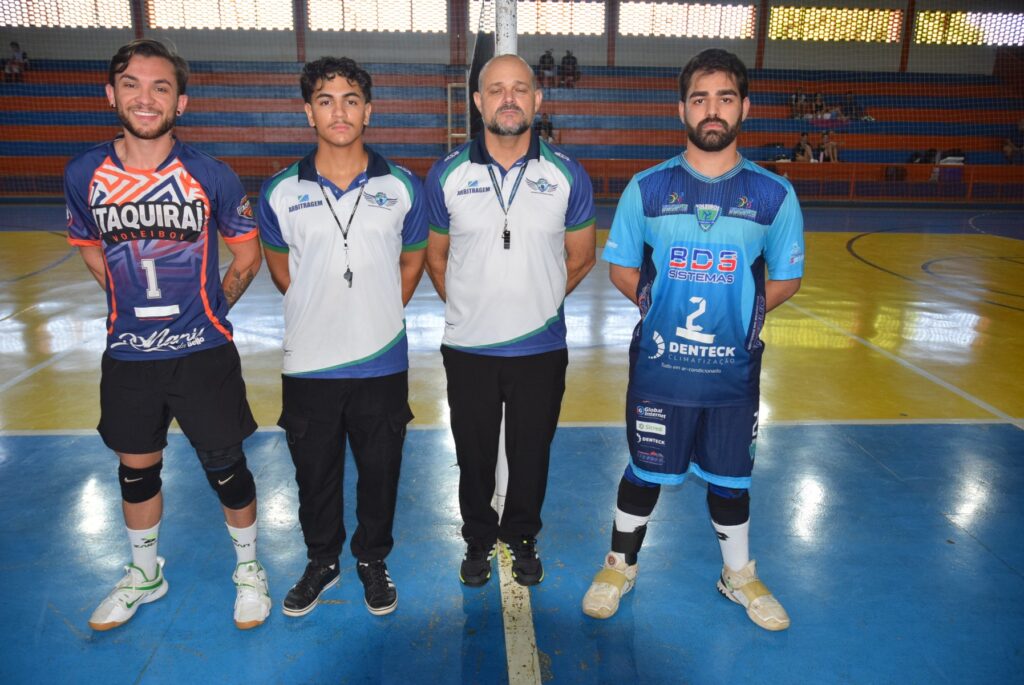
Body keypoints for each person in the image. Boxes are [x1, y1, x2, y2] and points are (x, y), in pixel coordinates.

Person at [581, 47, 804, 632]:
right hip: (662, 370)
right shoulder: (648, 188)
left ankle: (738, 574)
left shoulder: (774, 194)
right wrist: (656, 307)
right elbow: (623, 268)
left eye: (725, 98)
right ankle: (618, 566)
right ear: (682, 108)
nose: (713, 110)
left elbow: (786, 277)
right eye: (700, 98)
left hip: (732, 373)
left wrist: (746, 314)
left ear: (744, 108)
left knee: (732, 479)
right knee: (645, 470)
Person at [63, 39, 269, 631]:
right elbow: (93, 253)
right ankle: (145, 576)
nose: (145, 97)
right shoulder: (85, 175)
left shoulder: (211, 176)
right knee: (136, 469)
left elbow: (247, 257)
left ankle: (249, 569)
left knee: (227, 466)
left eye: (160, 87)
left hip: (202, 353)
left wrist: (205, 312)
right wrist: (126, 306)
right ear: (111, 94)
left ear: (181, 101)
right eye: (132, 84)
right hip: (128, 356)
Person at [258, 56, 425, 618]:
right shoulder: (281, 191)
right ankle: (322, 560)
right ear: (308, 112)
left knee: (381, 471)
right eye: (325, 100)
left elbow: (412, 263)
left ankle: (372, 560)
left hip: (381, 361)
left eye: (351, 99)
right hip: (309, 363)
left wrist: (372, 312)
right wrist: (321, 308)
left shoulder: (401, 186)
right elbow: (283, 271)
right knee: (314, 474)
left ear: (368, 110)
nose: (339, 110)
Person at [424, 54, 596, 588]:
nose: (508, 98)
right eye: (496, 89)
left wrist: (538, 301)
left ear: (537, 100)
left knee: (531, 453)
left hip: (539, 348)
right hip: (469, 348)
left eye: (520, 88)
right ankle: (477, 536)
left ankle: (521, 535)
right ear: (477, 101)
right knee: (472, 455)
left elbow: (583, 256)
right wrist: (471, 308)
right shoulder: (448, 173)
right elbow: (435, 257)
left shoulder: (567, 174)